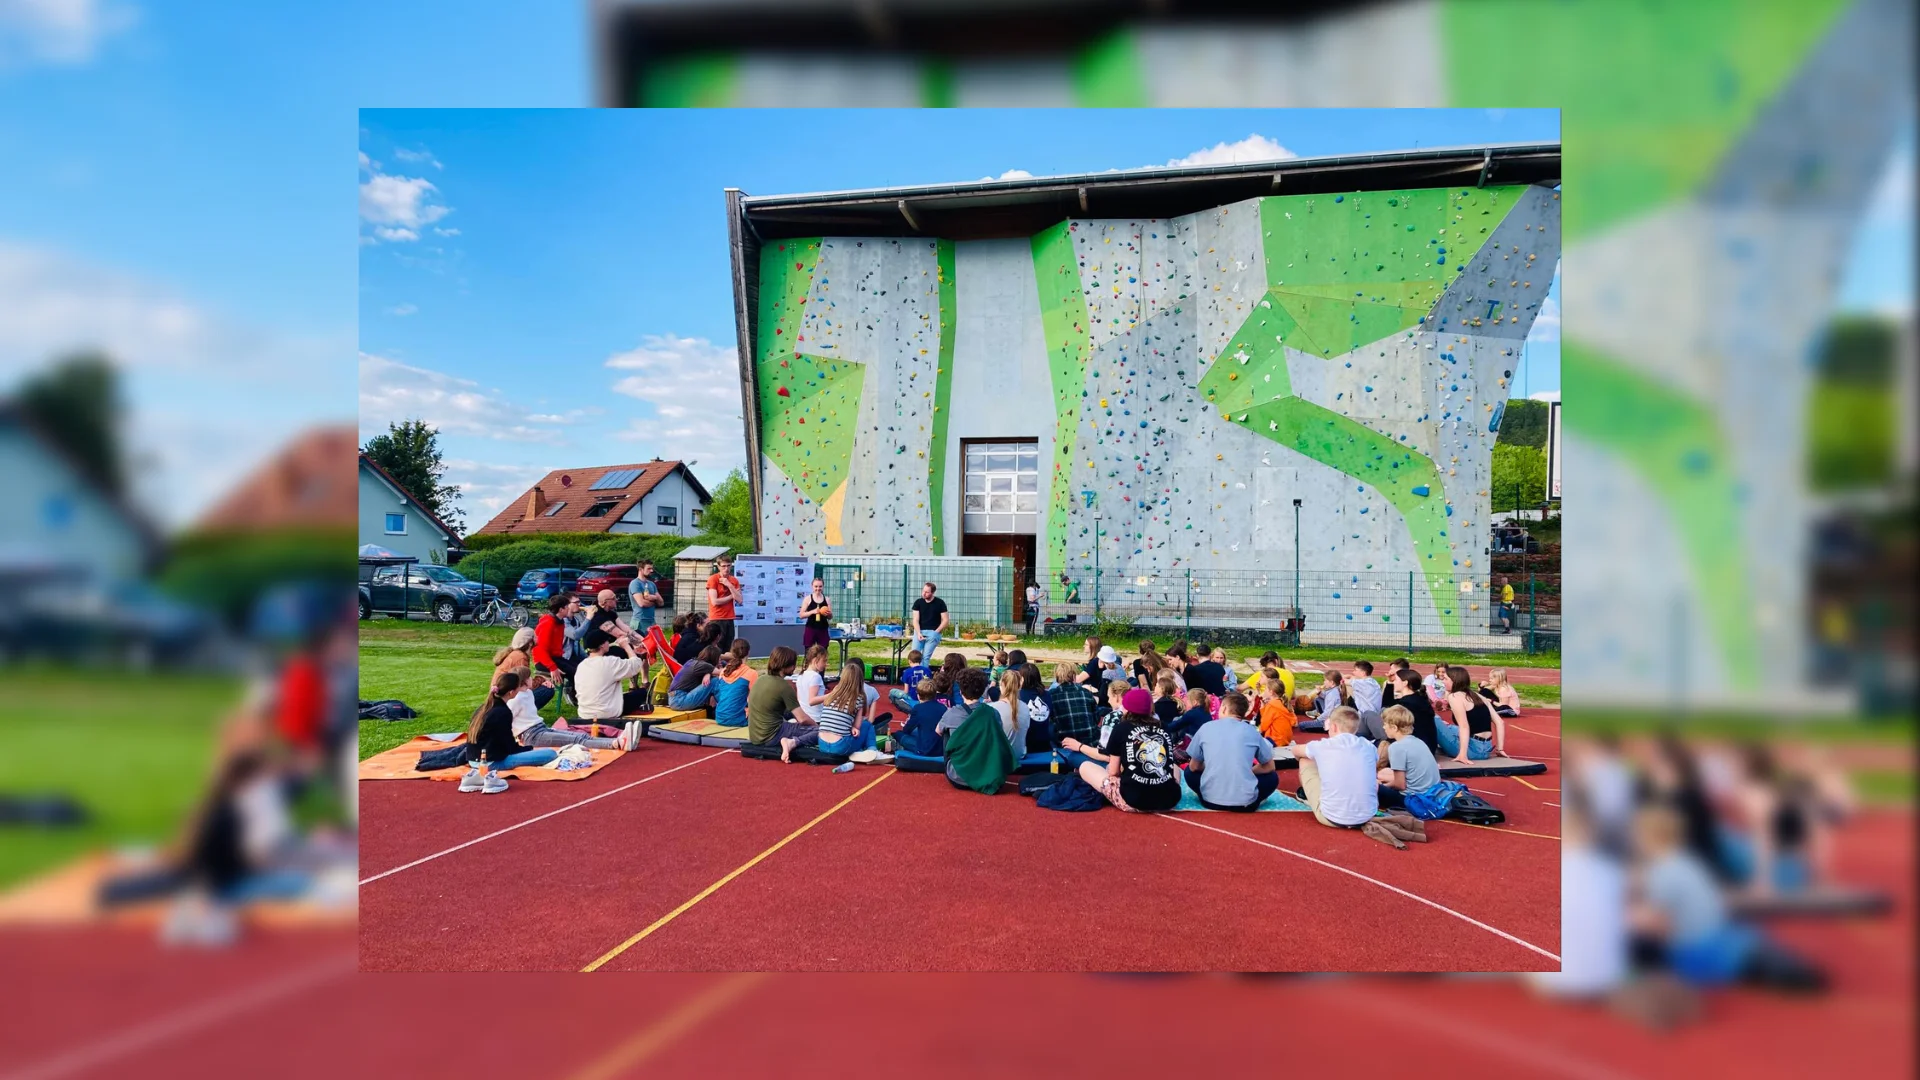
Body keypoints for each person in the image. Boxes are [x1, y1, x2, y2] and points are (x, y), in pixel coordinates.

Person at [1629, 806, 1826, 992]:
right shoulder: (1687, 861)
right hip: (1725, 936)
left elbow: (1659, 925)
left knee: (1637, 946)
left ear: (1648, 837)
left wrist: (1628, 918)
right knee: (1757, 955)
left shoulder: (1663, 872)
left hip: (1696, 948)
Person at [1292, 707, 1422, 847]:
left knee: (1305, 759)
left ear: (1334, 726)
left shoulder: (1324, 745)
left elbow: (1296, 750)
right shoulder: (1368, 746)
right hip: (1367, 814)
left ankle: (1307, 794)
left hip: (1333, 817)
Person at [1059, 687, 1181, 813]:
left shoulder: (1121, 728)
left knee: (1085, 766)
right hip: (1169, 800)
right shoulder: (1163, 726)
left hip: (1133, 800)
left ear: (1127, 709)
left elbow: (1113, 772)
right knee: (1175, 768)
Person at [458, 673, 561, 791]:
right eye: (518, 688)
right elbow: (510, 747)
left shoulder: (483, 708)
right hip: (492, 761)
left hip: (473, 759)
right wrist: (529, 749)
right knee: (550, 754)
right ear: (511, 692)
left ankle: (476, 777)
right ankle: (488, 777)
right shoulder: (503, 712)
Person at [1184, 692, 1280, 811]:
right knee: (1272, 777)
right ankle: (1253, 797)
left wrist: (1215, 767)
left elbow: (1194, 767)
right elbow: (1270, 767)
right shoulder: (1252, 731)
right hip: (1245, 803)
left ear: (1224, 708)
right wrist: (1248, 770)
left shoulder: (1206, 727)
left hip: (1210, 800)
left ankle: (1208, 793)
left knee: (1189, 772)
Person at [504, 665, 634, 751]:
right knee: (576, 740)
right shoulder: (516, 699)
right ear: (524, 681)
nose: (532, 678)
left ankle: (617, 740)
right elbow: (506, 720)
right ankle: (616, 743)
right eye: (529, 677)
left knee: (578, 735)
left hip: (540, 728)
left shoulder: (527, 693)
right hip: (531, 735)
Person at [1375, 705, 1460, 820]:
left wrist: (1383, 786)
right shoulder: (1419, 741)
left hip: (1413, 798)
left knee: (1372, 786)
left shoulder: (1396, 747)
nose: (1383, 727)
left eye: (1385, 724)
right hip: (1431, 792)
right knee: (1385, 772)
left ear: (1394, 727)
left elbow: (1400, 785)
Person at [939, 668, 1013, 793]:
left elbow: (938, 731)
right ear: (984, 689)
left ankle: (961, 764)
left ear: (961, 690)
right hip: (989, 774)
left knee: (946, 731)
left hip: (958, 777)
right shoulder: (993, 713)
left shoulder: (952, 713)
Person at [812, 662, 893, 763]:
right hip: (840, 746)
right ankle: (873, 751)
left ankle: (858, 751)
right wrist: (854, 727)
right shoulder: (858, 698)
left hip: (822, 745)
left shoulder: (831, 696)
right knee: (867, 725)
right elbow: (858, 726)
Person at [746, 646, 816, 759]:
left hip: (755, 736)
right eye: (793, 664)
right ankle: (792, 742)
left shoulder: (760, 679)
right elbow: (802, 719)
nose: (794, 667)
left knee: (788, 714)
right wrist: (816, 725)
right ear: (785, 666)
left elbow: (750, 701)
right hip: (772, 735)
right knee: (822, 732)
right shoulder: (784, 686)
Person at [575, 628, 651, 727]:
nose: (609, 643)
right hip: (606, 712)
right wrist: (626, 646)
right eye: (607, 641)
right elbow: (636, 665)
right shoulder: (610, 662)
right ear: (602, 645)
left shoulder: (581, 665)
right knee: (642, 693)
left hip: (585, 712)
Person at [1437, 665, 1507, 763]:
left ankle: (1429, 749)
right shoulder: (1478, 696)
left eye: (1445, 679)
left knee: (1433, 719)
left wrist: (1462, 755)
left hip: (1472, 750)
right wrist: (1500, 749)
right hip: (1486, 750)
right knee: (1448, 727)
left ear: (1454, 680)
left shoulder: (1455, 696)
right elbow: (1500, 722)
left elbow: (1464, 727)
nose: (1443, 681)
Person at [1046, 662, 1102, 764]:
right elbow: (1096, 718)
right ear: (1074, 675)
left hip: (1063, 743)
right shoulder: (1086, 693)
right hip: (1090, 741)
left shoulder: (1051, 695)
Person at [531, 593, 581, 701]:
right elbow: (540, 649)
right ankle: (574, 696)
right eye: (567, 606)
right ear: (561, 609)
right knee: (575, 673)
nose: (569, 608)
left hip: (556, 657)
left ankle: (575, 694)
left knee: (581, 669)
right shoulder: (548, 623)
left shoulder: (560, 622)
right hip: (544, 661)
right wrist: (552, 668)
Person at [1389, 667, 1440, 757]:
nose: (1394, 682)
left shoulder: (1406, 704)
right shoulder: (1419, 699)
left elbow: (1386, 706)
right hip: (1428, 747)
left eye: (1396, 680)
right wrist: (1389, 682)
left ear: (1405, 683)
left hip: (1416, 750)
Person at [897, 678, 949, 757]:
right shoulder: (943, 708)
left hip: (924, 750)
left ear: (918, 695)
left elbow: (906, 730)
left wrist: (907, 724)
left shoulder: (918, 708)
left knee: (898, 734)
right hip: (941, 749)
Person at [986, 669, 1031, 758]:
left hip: (1000, 759)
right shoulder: (1025, 707)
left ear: (1002, 685)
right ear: (1019, 686)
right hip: (1019, 755)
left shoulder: (993, 708)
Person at [668, 645, 723, 712]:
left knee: (709, 682)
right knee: (714, 681)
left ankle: (715, 708)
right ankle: (726, 706)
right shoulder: (703, 665)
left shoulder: (693, 662)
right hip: (680, 700)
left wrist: (708, 673)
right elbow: (723, 673)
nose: (720, 660)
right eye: (719, 658)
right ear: (713, 658)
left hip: (674, 699)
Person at [705, 556, 742, 649]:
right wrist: (731, 596)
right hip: (717, 618)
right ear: (718, 566)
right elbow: (715, 601)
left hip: (729, 617)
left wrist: (729, 585)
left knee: (729, 646)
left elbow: (740, 599)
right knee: (717, 646)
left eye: (728, 566)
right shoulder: (713, 579)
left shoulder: (734, 580)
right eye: (723, 566)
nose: (726, 568)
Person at [711, 651, 754, 726]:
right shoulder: (751, 673)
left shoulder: (724, 671)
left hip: (719, 718)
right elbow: (753, 700)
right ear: (748, 653)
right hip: (739, 720)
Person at [908, 581, 949, 659]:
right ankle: (915, 671)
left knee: (925, 657)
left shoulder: (940, 603)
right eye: (923, 591)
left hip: (933, 632)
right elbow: (915, 620)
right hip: (920, 631)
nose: (924, 593)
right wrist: (918, 633)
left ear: (932, 593)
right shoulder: (918, 602)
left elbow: (945, 620)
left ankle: (923, 670)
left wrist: (936, 632)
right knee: (914, 656)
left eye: (927, 592)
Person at [887, 649, 930, 713]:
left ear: (909, 661)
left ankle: (895, 702)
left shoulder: (907, 672)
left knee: (892, 691)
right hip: (925, 697)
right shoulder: (927, 670)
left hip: (912, 697)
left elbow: (906, 691)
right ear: (920, 660)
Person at [626, 560, 663, 633]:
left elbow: (661, 602)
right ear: (640, 569)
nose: (651, 571)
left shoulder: (652, 584)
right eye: (648, 569)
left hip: (652, 621)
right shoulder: (635, 583)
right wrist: (655, 602)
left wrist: (654, 598)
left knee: (656, 643)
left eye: (652, 568)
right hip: (640, 621)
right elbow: (641, 603)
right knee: (641, 644)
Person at [799, 577, 833, 654]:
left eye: (820, 586)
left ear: (823, 586)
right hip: (811, 628)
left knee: (823, 652)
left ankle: (821, 666)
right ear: (812, 586)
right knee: (809, 652)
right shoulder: (808, 599)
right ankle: (808, 666)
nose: (818, 588)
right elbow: (801, 615)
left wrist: (829, 614)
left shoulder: (826, 599)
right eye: (816, 586)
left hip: (823, 629)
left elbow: (830, 617)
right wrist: (812, 612)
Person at [795, 644, 830, 719]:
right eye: (824, 661)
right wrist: (832, 695)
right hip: (816, 717)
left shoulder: (800, 676)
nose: (826, 664)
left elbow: (799, 700)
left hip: (805, 717)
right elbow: (811, 701)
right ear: (815, 661)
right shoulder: (815, 677)